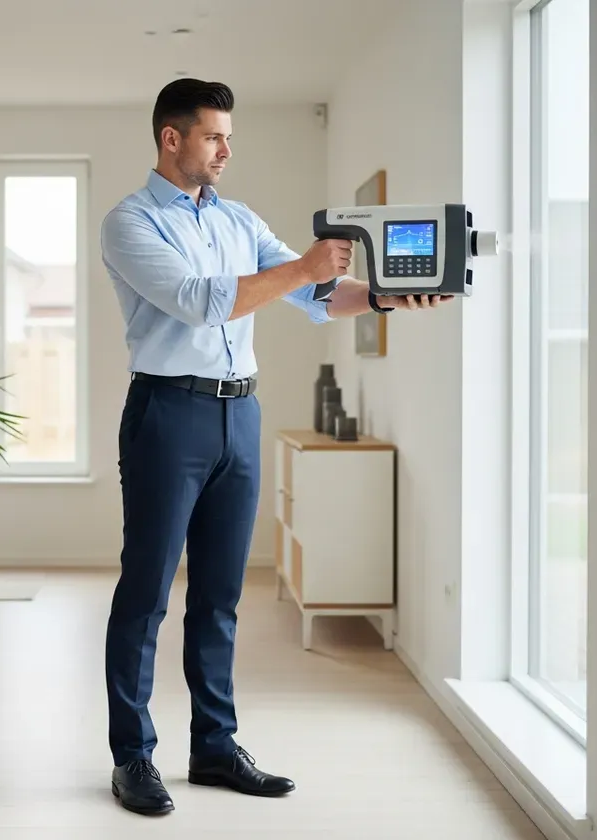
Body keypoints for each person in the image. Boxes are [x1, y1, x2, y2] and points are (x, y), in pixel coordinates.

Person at [101, 78, 452, 816]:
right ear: (171, 138)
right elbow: (203, 303)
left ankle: (215, 747)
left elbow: (318, 297)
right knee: (147, 593)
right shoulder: (130, 223)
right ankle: (133, 757)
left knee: (223, 595)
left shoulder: (239, 220)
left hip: (241, 414)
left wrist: (386, 296)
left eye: (229, 136)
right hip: (168, 415)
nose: (226, 149)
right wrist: (302, 269)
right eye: (212, 136)